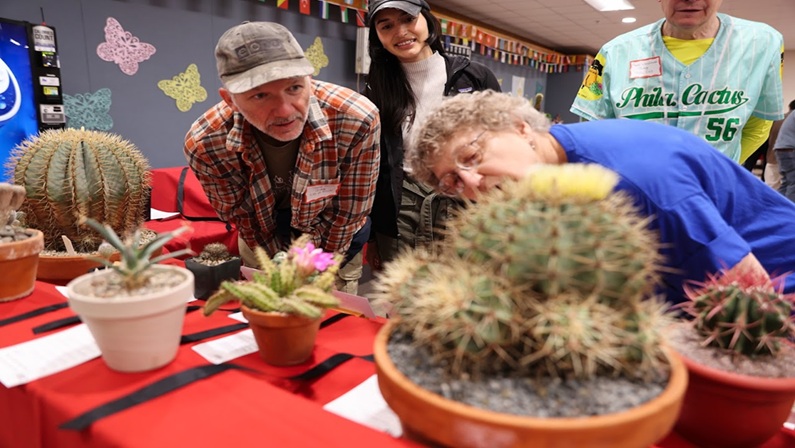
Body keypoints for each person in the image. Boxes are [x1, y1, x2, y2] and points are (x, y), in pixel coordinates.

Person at [408, 90, 795, 304]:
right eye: (451, 181)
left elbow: (750, 298)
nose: (471, 182)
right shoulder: (550, 175)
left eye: (471, 156)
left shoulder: (630, 180)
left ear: (521, 128)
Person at [184, 21, 381, 293]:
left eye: (294, 88)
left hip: (334, 235)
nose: (285, 111)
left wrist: (315, 270)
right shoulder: (207, 144)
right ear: (230, 100)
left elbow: (347, 213)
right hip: (263, 235)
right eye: (260, 95)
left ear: (309, 80)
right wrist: (278, 272)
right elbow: (246, 221)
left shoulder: (356, 119)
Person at [363, 0, 500, 268]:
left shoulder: (473, 77)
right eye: (386, 26)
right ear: (377, 36)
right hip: (401, 205)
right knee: (402, 286)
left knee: (459, 283)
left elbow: (500, 144)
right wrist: (374, 234)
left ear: (427, 19)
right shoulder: (376, 87)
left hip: (463, 199)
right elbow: (374, 164)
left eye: (408, 19)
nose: (400, 31)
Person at [570, 0, 785, 164]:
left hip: (714, 195)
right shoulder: (613, 53)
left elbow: (758, 127)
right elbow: (593, 132)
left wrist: (719, 172)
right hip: (633, 196)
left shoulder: (763, 45)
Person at [774, 99, 795, 202]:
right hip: (790, 150)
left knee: (786, 183)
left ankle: (775, 207)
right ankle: (791, 210)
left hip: (782, 149)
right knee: (793, 184)